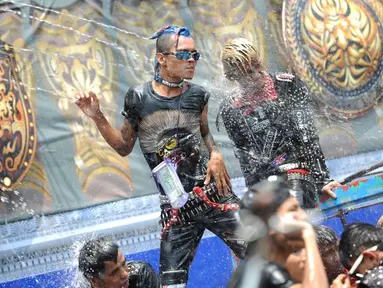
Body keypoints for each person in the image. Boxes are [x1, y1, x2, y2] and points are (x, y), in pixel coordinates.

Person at [75, 25, 246, 287]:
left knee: (266, 252)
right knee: (170, 284)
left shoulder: (198, 95)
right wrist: (97, 116)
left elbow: (205, 135)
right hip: (176, 208)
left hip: (213, 194)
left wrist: (215, 153)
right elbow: (123, 147)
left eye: (195, 56)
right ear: (162, 58)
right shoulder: (139, 98)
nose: (191, 61)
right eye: (184, 55)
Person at [217, 38, 341, 208]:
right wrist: (253, 196)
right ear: (234, 77)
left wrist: (323, 179)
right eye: (249, 73)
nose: (258, 73)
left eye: (257, 65)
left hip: (298, 171)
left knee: (290, 208)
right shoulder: (230, 108)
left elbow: (308, 137)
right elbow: (245, 156)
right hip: (265, 182)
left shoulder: (287, 85)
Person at [228, 176, 328, 288]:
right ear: (270, 223)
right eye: (293, 209)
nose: (303, 215)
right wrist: (308, 235)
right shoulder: (265, 272)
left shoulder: (261, 265)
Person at [78, 238, 159, 288]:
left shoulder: (141, 275)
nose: (125, 274)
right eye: (115, 272)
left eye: (124, 264)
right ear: (96, 282)